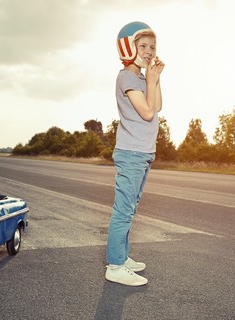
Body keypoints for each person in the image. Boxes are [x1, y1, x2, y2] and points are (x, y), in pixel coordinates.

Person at [105, 21, 165, 286]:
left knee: (130, 210)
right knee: (123, 211)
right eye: (143, 46)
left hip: (142, 153)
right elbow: (147, 112)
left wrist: (155, 78)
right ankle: (115, 266)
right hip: (131, 153)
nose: (150, 51)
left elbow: (157, 105)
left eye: (153, 46)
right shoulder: (127, 77)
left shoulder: (141, 78)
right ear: (128, 47)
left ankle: (123, 256)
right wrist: (149, 80)